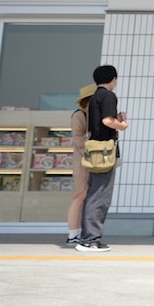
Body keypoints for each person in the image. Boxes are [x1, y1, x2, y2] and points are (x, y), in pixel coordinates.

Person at [76, 66, 128, 253]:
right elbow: (107, 121)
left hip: (95, 150)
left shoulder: (94, 98)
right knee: (100, 195)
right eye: (116, 79)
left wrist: (117, 119)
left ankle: (87, 238)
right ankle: (91, 240)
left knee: (94, 193)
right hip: (104, 151)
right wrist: (122, 124)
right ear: (112, 79)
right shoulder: (108, 96)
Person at [66, 83, 96, 245]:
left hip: (89, 163)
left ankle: (80, 232)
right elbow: (79, 141)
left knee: (85, 198)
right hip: (82, 163)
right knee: (79, 196)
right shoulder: (79, 115)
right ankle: (73, 233)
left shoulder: (91, 116)